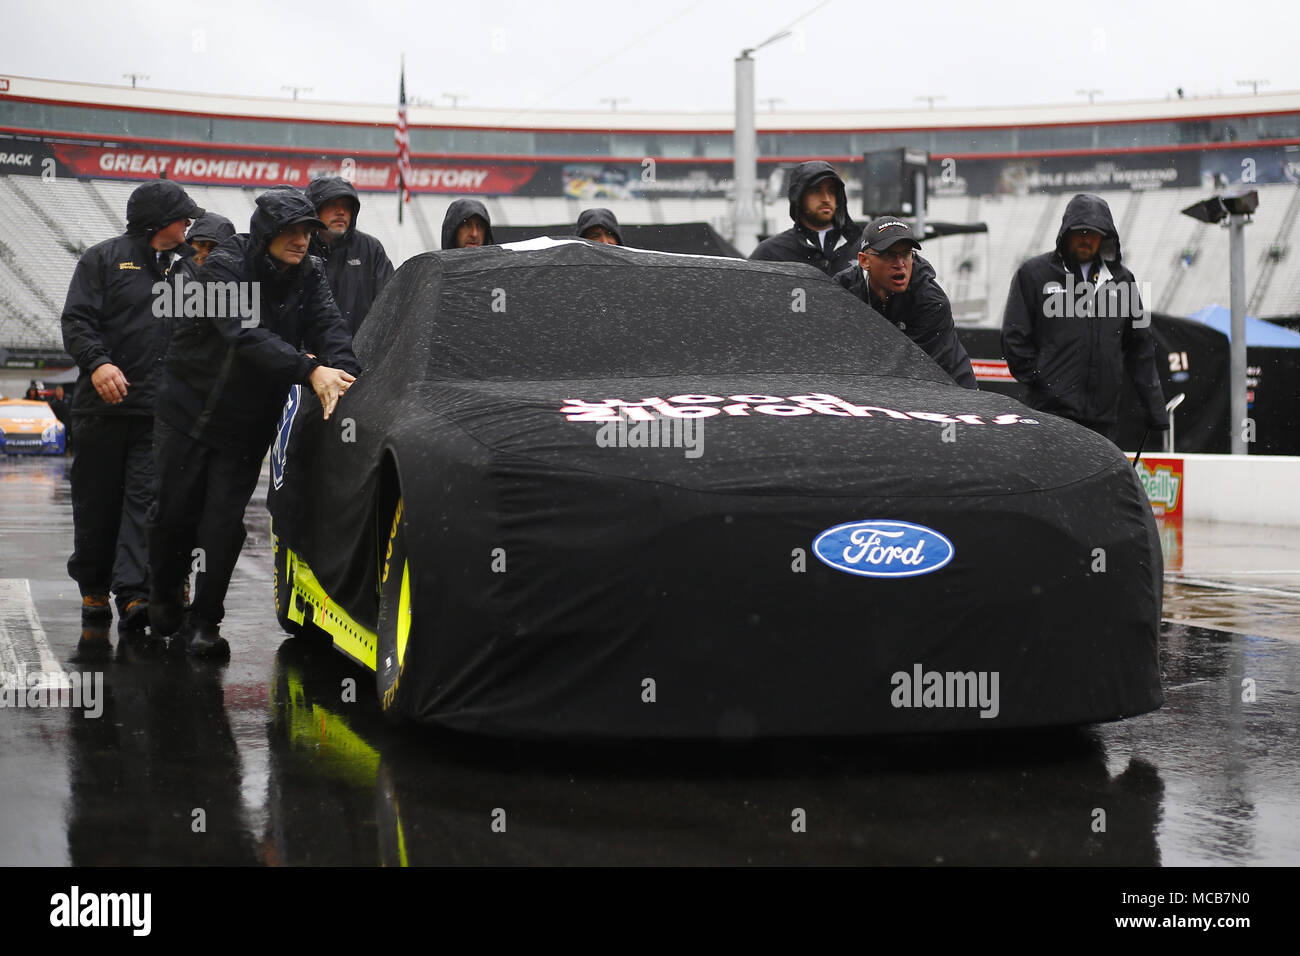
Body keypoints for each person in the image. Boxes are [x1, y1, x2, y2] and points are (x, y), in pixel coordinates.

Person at [148, 186, 360, 659]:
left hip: (245, 424)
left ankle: (205, 621)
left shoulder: (311, 274)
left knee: (224, 523)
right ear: (266, 230)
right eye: (292, 231)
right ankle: (164, 592)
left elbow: (330, 328)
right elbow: (242, 333)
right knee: (172, 513)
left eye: (308, 231)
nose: (302, 240)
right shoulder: (225, 264)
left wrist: (344, 374)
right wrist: (309, 370)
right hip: (188, 412)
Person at [60, 179, 203, 639]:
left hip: (155, 414)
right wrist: (99, 364)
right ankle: (94, 587)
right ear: (160, 221)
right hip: (99, 411)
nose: (189, 224)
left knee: (144, 502)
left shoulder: (185, 273)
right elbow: (77, 321)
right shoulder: (102, 259)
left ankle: (133, 593)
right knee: (97, 503)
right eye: (183, 216)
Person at [1001, 194, 1168, 442]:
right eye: (1080, 232)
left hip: (1103, 418)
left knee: (1098, 481)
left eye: (1093, 233)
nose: (1086, 240)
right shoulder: (1033, 274)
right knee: (1054, 479)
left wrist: (1155, 408)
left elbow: (1140, 347)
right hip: (1050, 416)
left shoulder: (1124, 280)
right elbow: (1014, 338)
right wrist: (1044, 382)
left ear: (1105, 237)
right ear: (1066, 233)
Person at [834, 217, 976, 389]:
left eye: (907, 254)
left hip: (949, 390)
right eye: (889, 254)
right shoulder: (842, 290)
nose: (900, 264)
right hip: (882, 386)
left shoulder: (930, 301)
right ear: (864, 261)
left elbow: (909, 371)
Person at [305, 176, 395, 335]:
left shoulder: (371, 249)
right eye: (332, 204)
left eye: (346, 206)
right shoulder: (299, 248)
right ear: (315, 209)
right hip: (310, 357)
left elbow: (391, 305)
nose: (341, 212)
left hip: (360, 354)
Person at [749, 161, 862, 276]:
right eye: (816, 191)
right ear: (799, 198)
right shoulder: (772, 252)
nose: (826, 198)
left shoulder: (862, 247)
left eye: (832, 191)